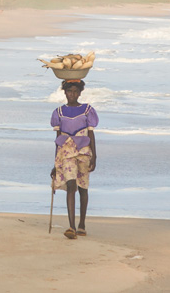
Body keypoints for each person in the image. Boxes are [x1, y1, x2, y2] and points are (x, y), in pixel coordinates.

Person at [50, 79, 98, 239]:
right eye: (69, 91)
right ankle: (71, 226)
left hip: (83, 151)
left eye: (75, 91)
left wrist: (95, 156)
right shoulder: (58, 112)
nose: (72, 94)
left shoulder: (87, 110)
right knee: (71, 186)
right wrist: (55, 164)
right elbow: (58, 139)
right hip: (66, 152)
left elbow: (91, 134)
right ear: (64, 92)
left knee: (83, 188)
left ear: (80, 93)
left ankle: (81, 224)